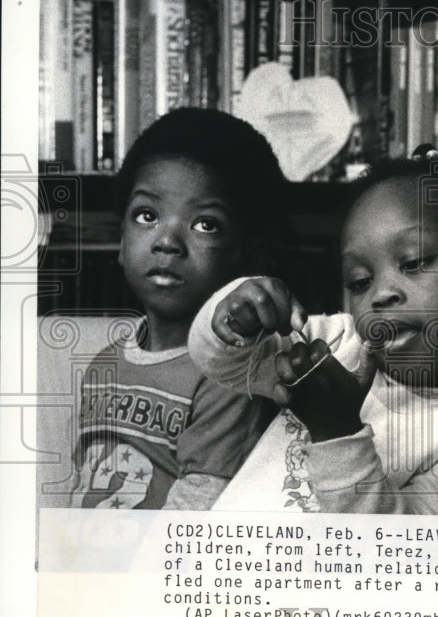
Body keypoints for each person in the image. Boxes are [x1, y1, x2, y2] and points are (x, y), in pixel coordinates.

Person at [188, 153, 438, 514]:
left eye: (413, 262)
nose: (380, 294)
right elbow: (228, 363)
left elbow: (402, 556)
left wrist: (338, 432)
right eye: (359, 281)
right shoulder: (337, 345)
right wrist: (235, 316)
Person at [71, 109, 284, 509]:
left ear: (248, 253)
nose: (167, 241)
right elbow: (83, 483)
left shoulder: (230, 373)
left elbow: (198, 511)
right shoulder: (102, 364)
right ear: (120, 241)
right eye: (147, 216)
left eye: (205, 224)